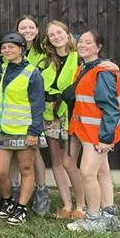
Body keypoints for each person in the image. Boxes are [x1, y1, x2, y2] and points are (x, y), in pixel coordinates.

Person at [66, 31, 120, 233]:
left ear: (98, 47)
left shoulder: (103, 71)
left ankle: (93, 219)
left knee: (87, 173)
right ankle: (109, 216)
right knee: (102, 172)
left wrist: (106, 138)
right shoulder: (84, 68)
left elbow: (110, 107)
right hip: (89, 132)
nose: (82, 45)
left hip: (98, 134)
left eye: (88, 42)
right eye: (80, 41)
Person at [0, 32, 45, 226]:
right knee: (0, 172)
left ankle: (21, 208)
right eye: (4, 47)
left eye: (11, 47)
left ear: (22, 49)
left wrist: (34, 132)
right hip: (1, 129)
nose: (6, 50)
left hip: (24, 129)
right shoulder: (0, 70)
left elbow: (38, 104)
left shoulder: (32, 72)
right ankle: (7, 201)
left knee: (26, 169)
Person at [41, 20, 85, 220]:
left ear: (68, 35)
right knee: (56, 160)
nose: (56, 37)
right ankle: (66, 205)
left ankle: (81, 205)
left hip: (72, 115)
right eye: (52, 35)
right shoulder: (47, 60)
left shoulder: (79, 59)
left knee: (70, 162)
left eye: (59, 33)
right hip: (50, 115)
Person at [14, 14, 50, 215]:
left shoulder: (44, 53)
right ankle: (16, 191)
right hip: (15, 111)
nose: (27, 31)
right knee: (15, 153)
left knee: (34, 151)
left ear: (37, 31)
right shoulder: (9, 51)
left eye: (30, 27)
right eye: (23, 27)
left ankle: (41, 191)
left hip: (35, 108)